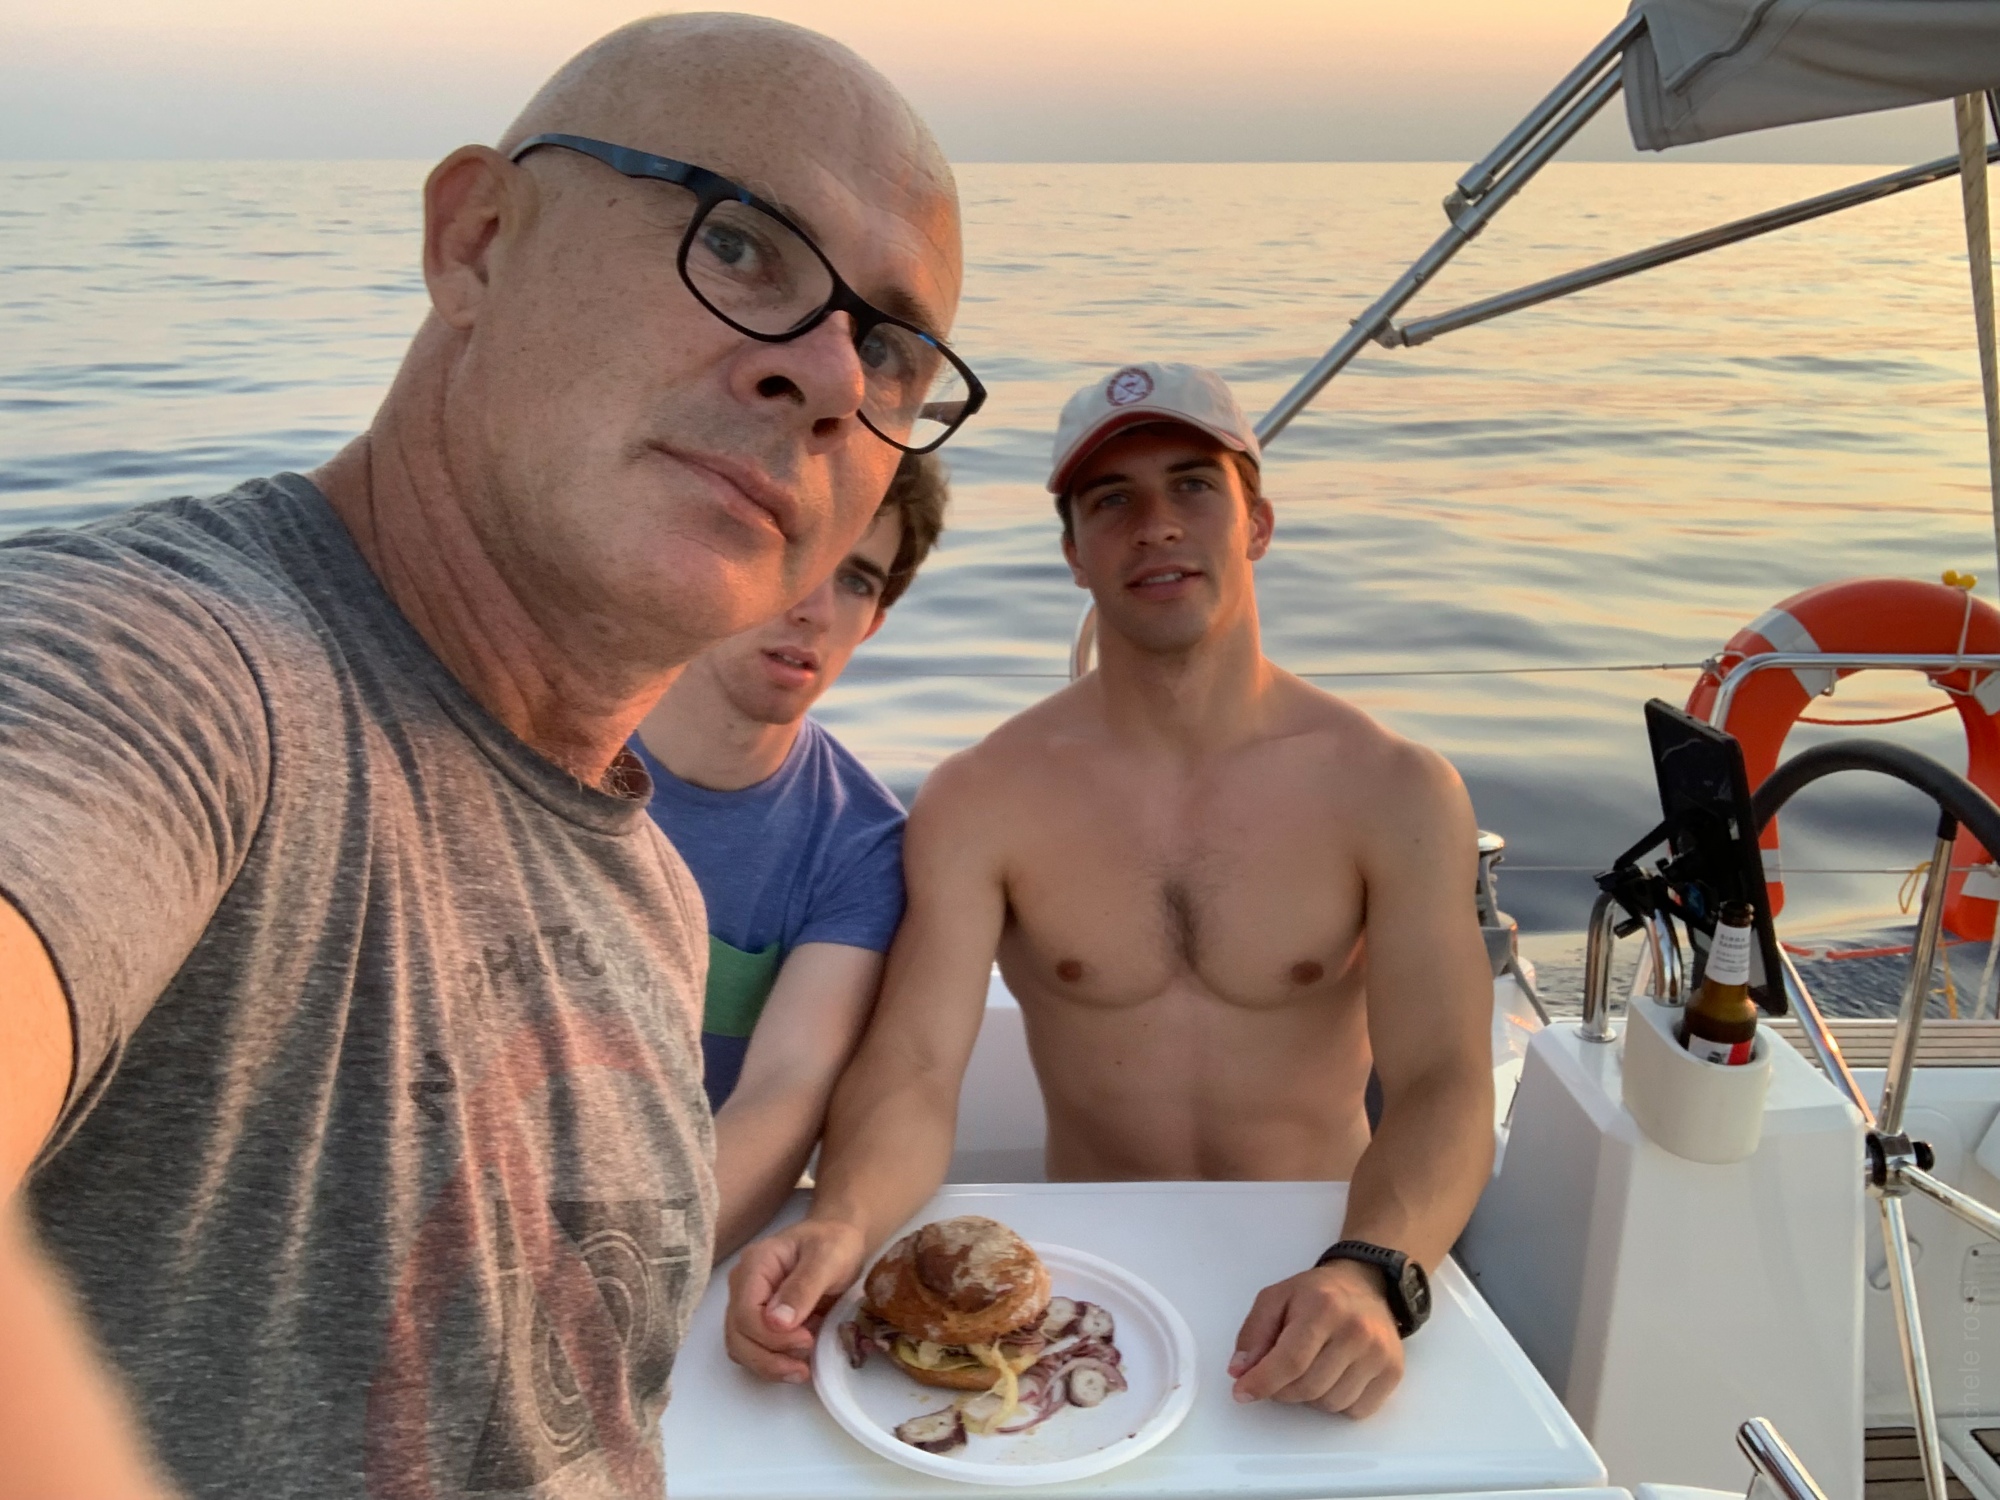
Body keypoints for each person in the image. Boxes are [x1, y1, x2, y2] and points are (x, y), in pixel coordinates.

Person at [0, 14, 976, 1498]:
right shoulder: (171, 673)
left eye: (892, 349)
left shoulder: (648, 886)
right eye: (741, 246)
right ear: (478, 240)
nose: (832, 378)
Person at [725, 362, 1494, 1420]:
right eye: (1111, 500)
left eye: (1193, 486)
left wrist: (1373, 1268)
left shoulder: (1393, 791)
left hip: (1323, 1253)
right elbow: (914, 1067)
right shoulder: (983, 797)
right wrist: (843, 1223)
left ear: (1257, 523)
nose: (1156, 524)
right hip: (1089, 1267)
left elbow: (1444, 1079)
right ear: (1073, 554)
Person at [631, 453, 948, 1260]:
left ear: (873, 624)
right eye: (790, 550)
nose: (816, 609)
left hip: (672, 1248)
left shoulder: (862, 844)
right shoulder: (542, 749)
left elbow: (786, 1087)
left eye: (856, 580)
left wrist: (626, 1278)